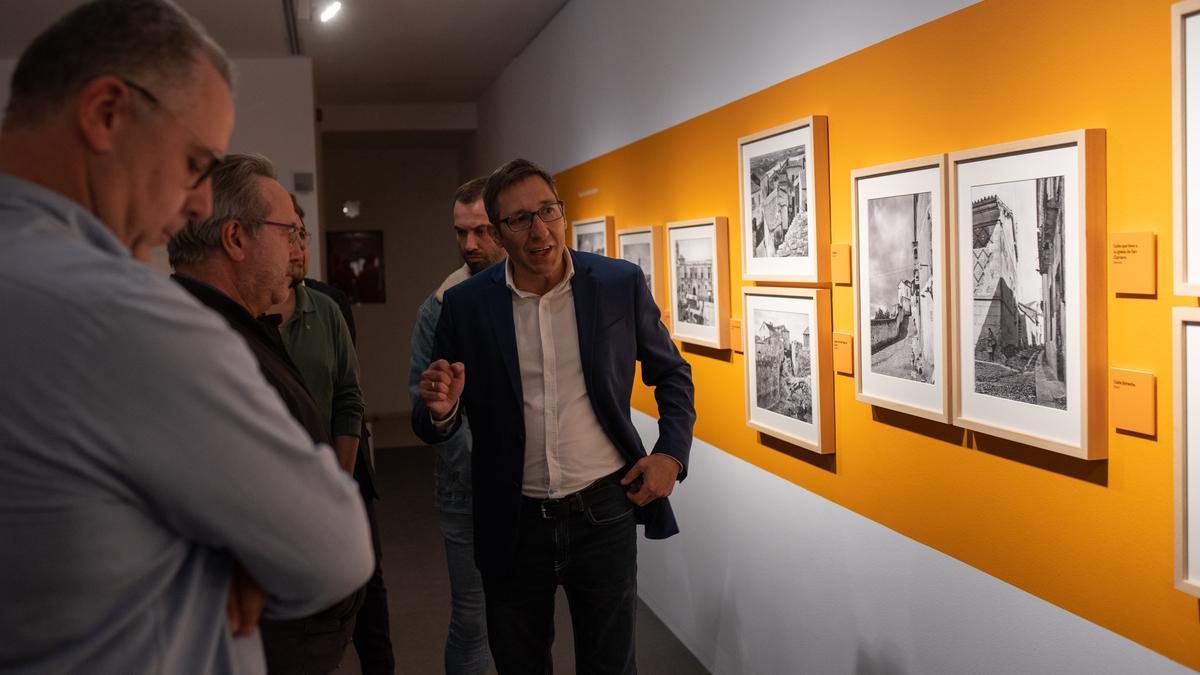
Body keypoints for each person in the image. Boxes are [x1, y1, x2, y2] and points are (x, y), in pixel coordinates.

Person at [0, 2, 372, 673]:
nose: (200, 202)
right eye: (195, 161)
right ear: (107, 113)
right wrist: (222, 560)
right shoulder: (119, 312)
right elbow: (335, 548)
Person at [412, 159, 696, 673]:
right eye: (520, 220)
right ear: (499, 233)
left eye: (549, 211)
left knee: (610, 665)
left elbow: (672, 374)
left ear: (562, 213)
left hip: (604, 510)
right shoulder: (467, 305)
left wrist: (671, 454)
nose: (540, 230)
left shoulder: (617, 283)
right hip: (512, 520)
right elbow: (427, 416)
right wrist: (443, 411)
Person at [168, 153, 368, 674]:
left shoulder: (239, 327)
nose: (298, 250)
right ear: (235, 239)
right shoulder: (198, 344)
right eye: (289, 232)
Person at [271, 194, 397, 675]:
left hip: (341, 481)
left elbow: (349, 394)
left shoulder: (326, 307)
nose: (300, 247)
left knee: (367, 591)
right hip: (277, 493)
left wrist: (339, 482)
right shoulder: (242, 319)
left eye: (303, 236)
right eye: (289, 236)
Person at [408, 176, 507, 674]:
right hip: (465, 489)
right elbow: (420, 405)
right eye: (461, 232)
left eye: (482, 231)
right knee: (473, 621)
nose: (470, 244)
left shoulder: (535, 296)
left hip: (532, 487)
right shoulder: (440, 307)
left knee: (523, 619)